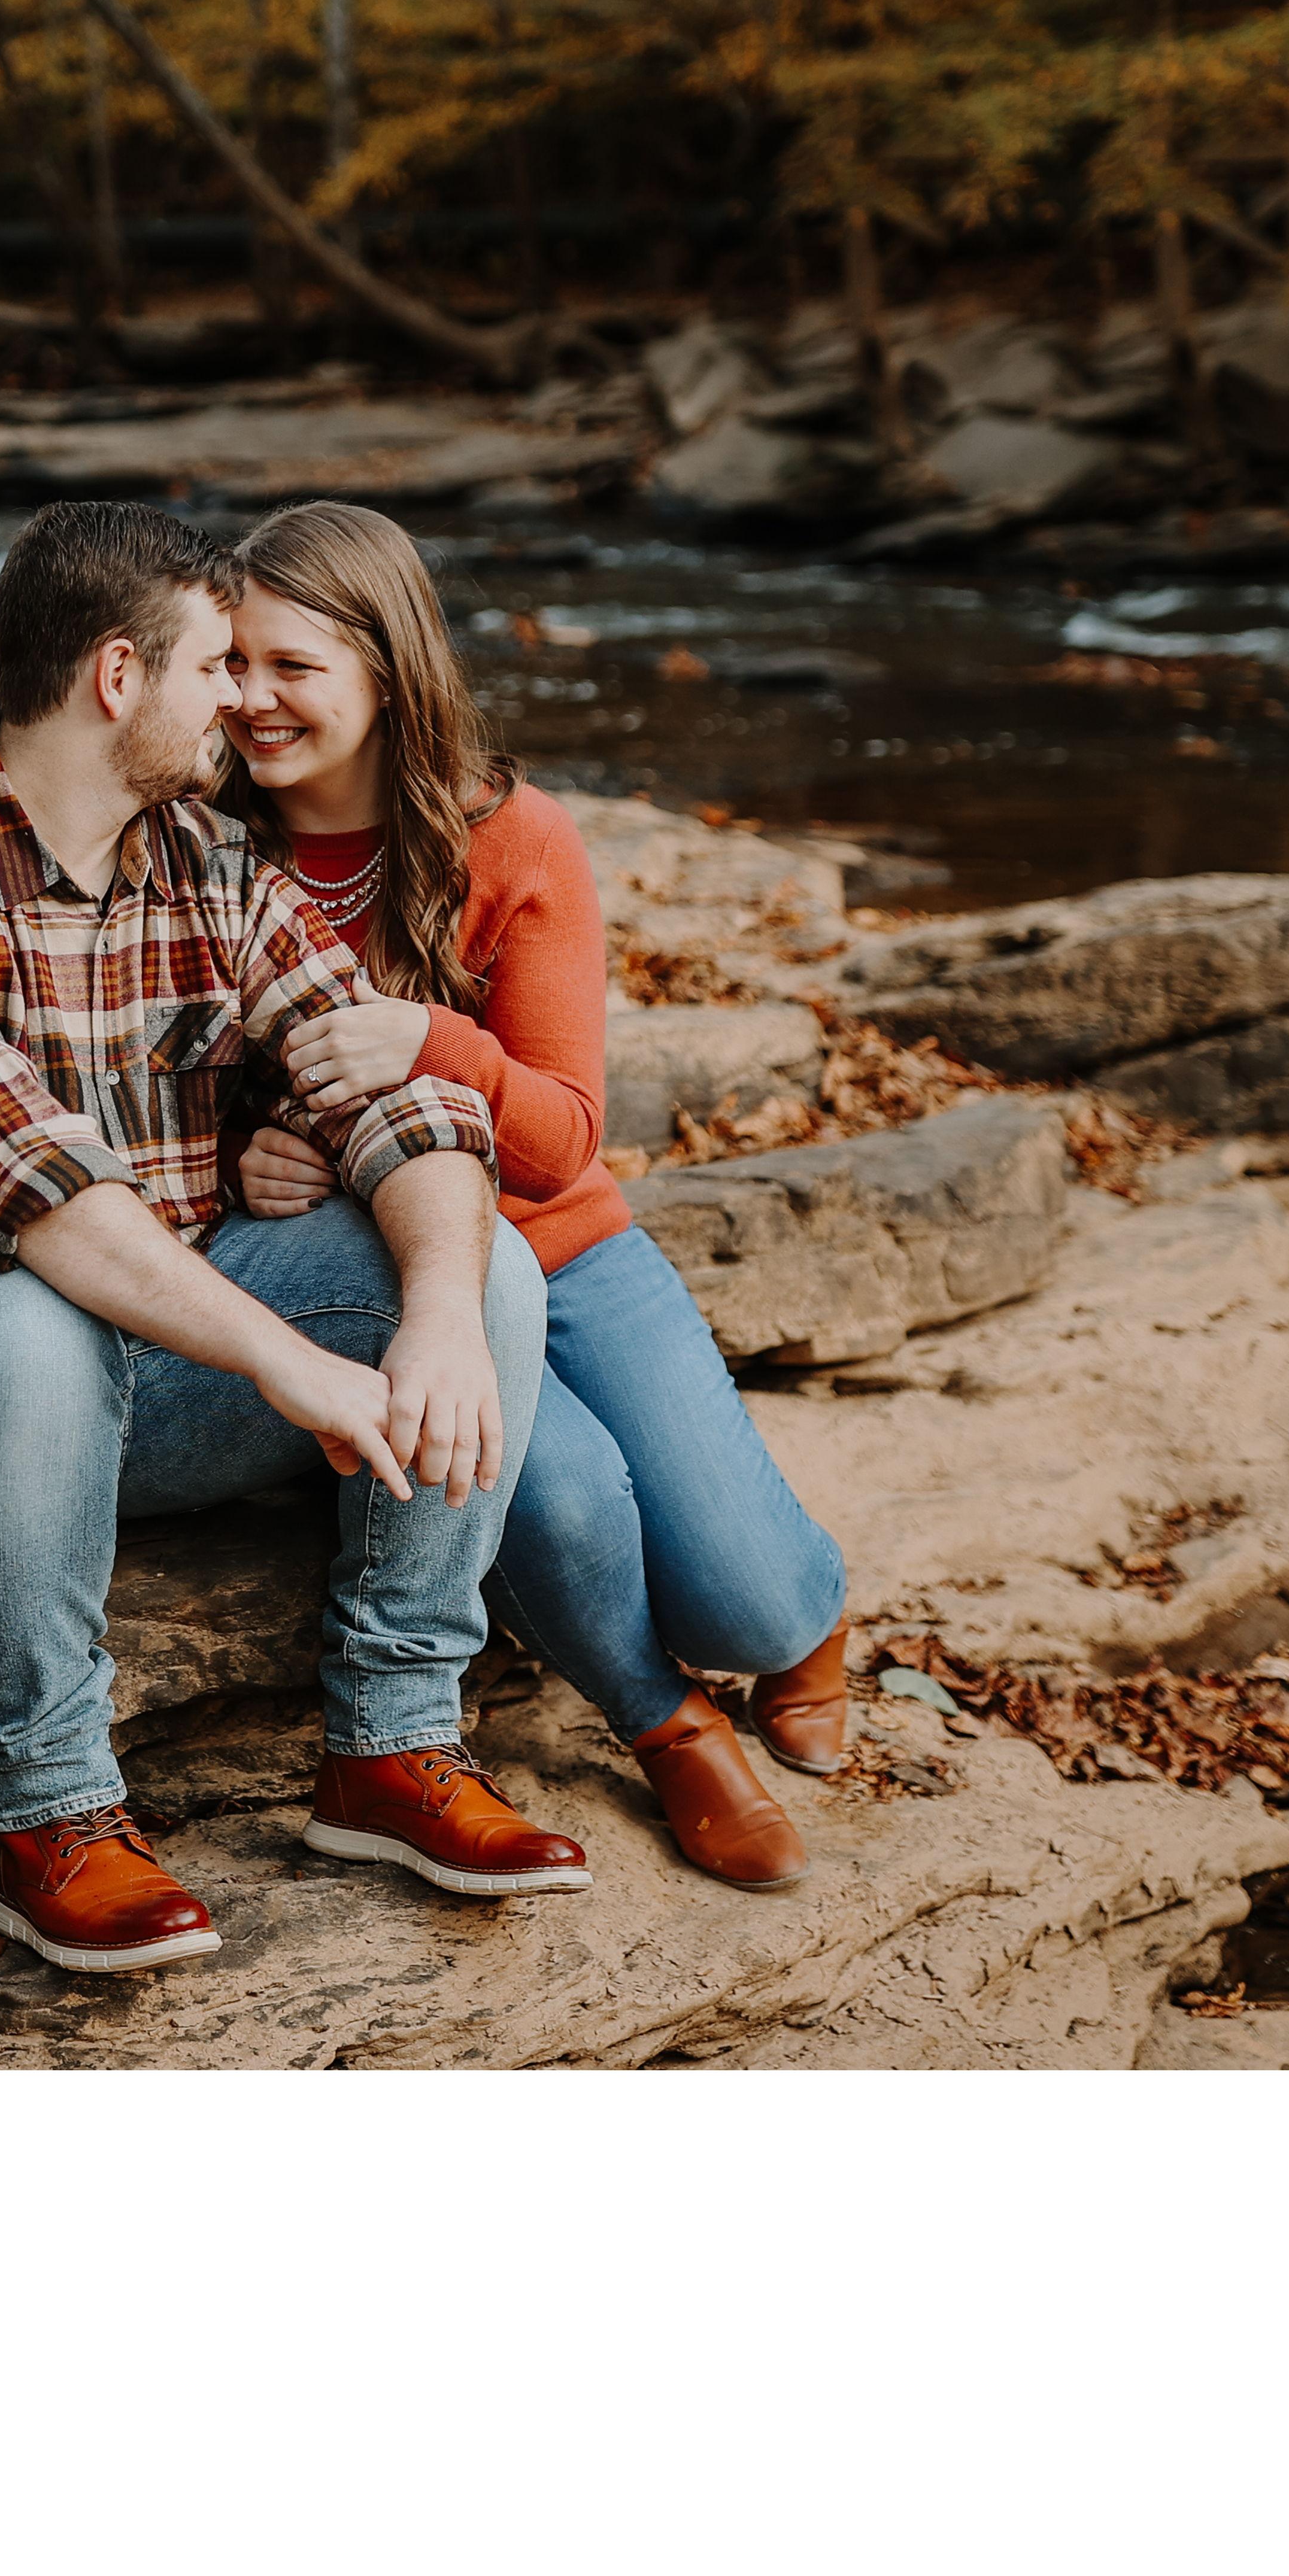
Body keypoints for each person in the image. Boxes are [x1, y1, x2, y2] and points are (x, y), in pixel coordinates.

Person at [0, 496, 586, 1977]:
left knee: (478, 1252)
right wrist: (289, 1364)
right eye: (211, 668)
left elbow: (396, 1097)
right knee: (17, 1319)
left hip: (144, 1371)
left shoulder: (203, 860)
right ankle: (48, 1816)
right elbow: (46, 1203)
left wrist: (437, 1305)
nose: (240, 703)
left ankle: (389, 1748)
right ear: (118, 678)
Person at [216, 499, 850, 1891]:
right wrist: (239, 1162)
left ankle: (806, 1627)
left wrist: (427, 1041)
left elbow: (562, 1138)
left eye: (291, 666)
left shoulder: (512, 837)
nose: (251, 699)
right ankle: (664, 1721)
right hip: (387, 1275)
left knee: (741, 1589)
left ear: (386, 665)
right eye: (231, 663)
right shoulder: (200, 849)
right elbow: (157, 1089)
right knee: (559, 1501)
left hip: (569, 1250)